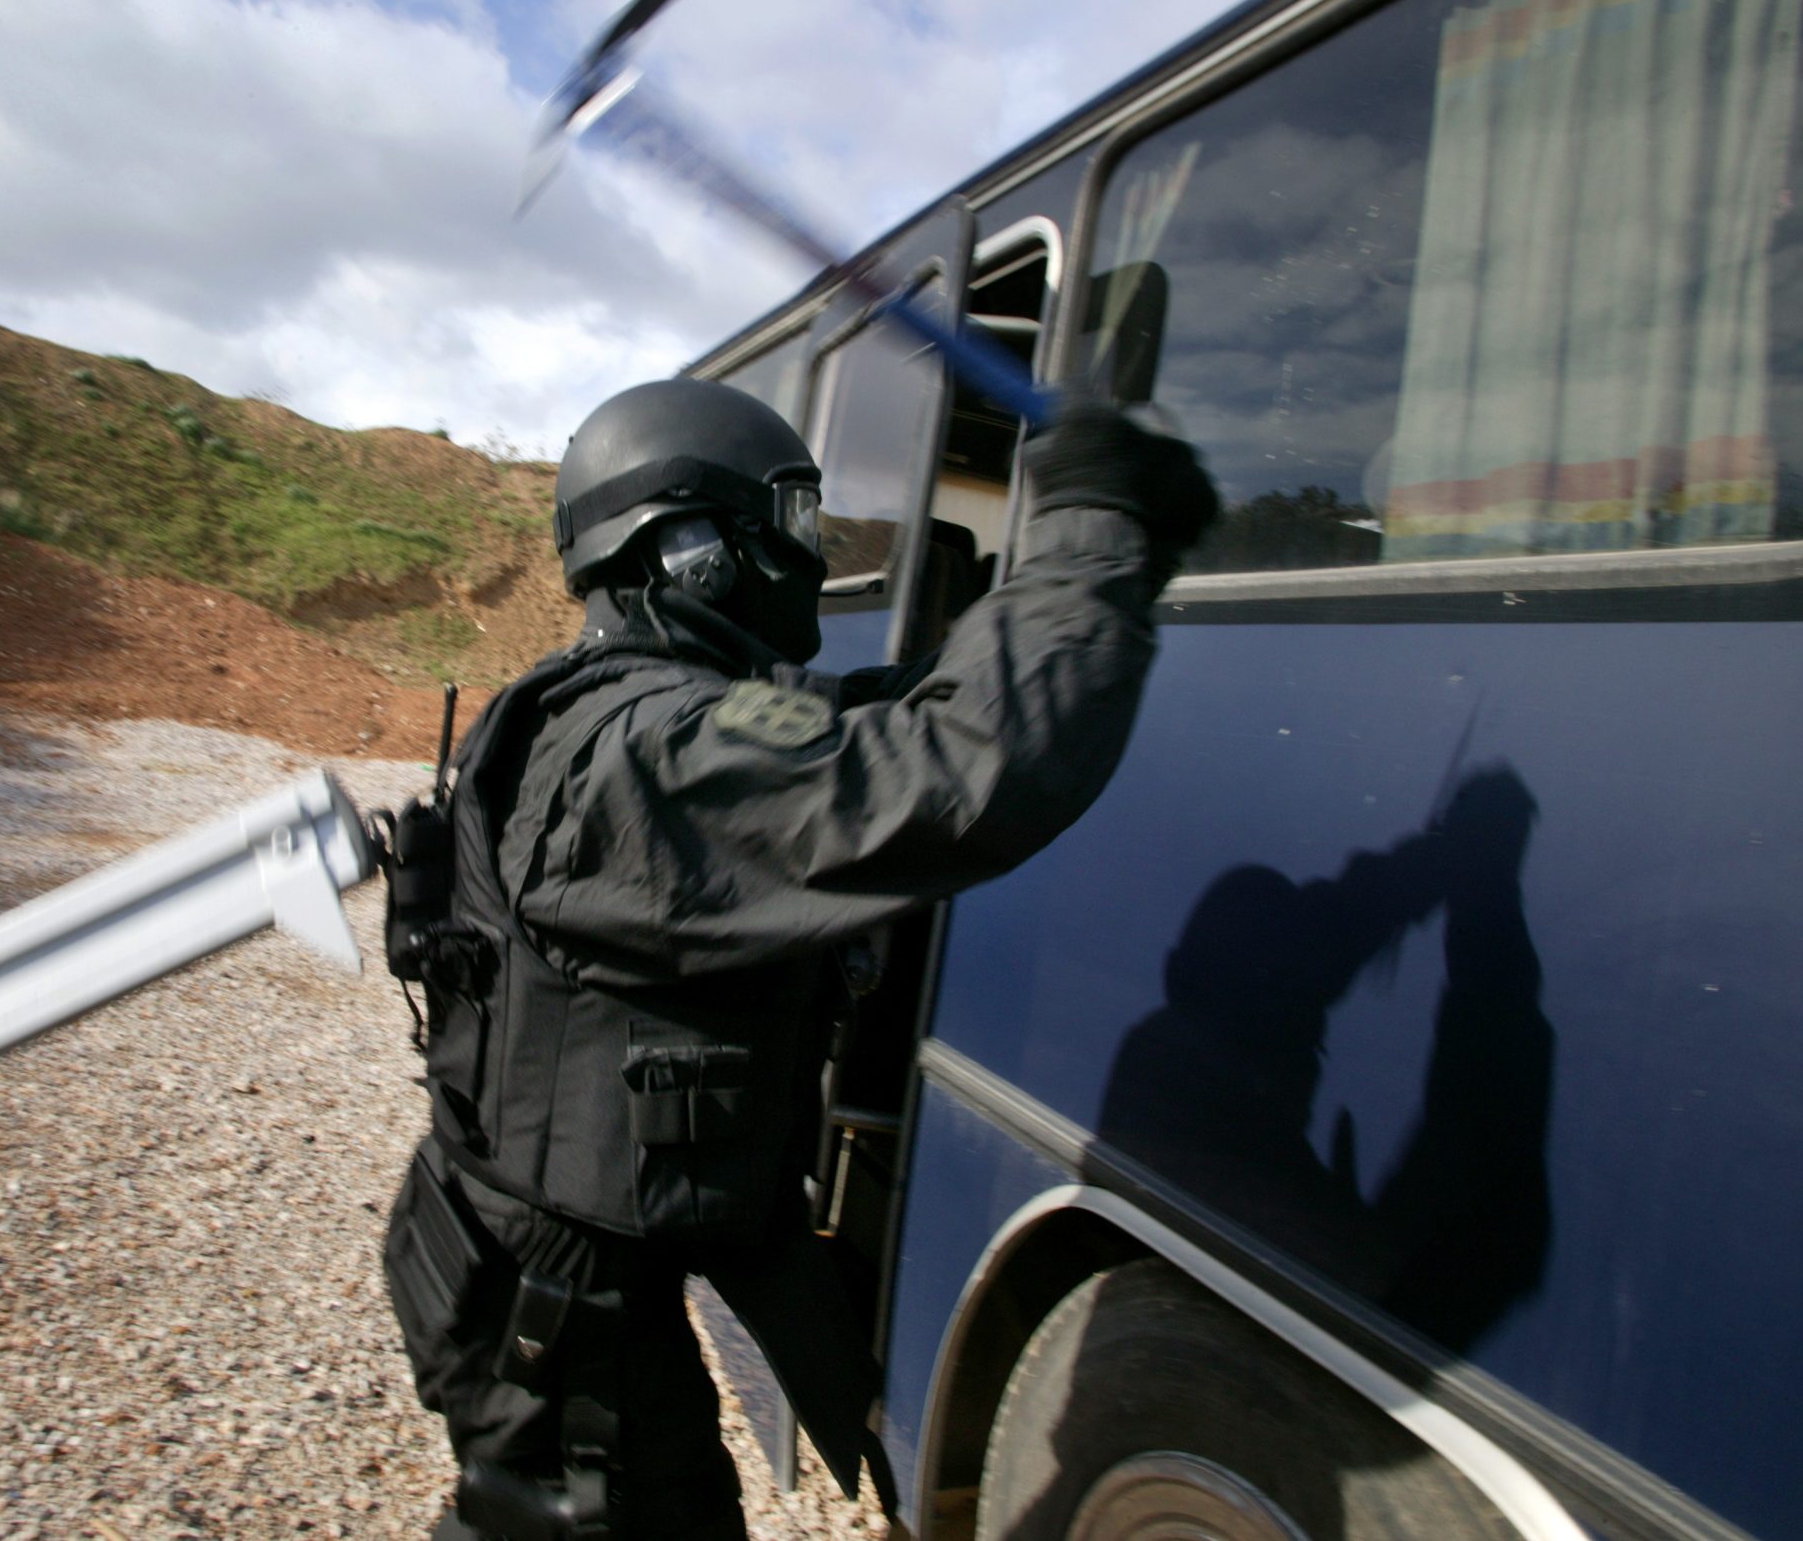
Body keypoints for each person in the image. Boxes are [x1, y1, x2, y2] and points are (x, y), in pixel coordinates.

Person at [380, 377, 1217, 1540]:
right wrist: (1092, 528)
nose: (810, 554)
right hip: (559, 1314)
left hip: (553, 1263)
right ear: (691, 551)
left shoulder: (624, 709)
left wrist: (1091, 569)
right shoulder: (648, 751)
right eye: (790, 519)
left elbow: (871, 718)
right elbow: (953, 769)